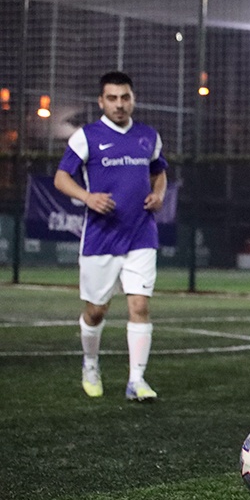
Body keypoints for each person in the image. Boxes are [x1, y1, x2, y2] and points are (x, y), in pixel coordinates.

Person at [53, 71, 168, 402]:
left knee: (139, 304)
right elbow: (61, 178)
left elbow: (159, 171)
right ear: (101, 101)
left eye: (125, 97)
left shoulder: (148, 136)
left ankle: (137, 381)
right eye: (113, 98)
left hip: (141, 233)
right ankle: (90, 364)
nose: (120, 104)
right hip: (101, 237)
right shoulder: (86, 136)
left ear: (133, 99)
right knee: (96, 311)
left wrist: (159, 194)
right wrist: (88, 197)